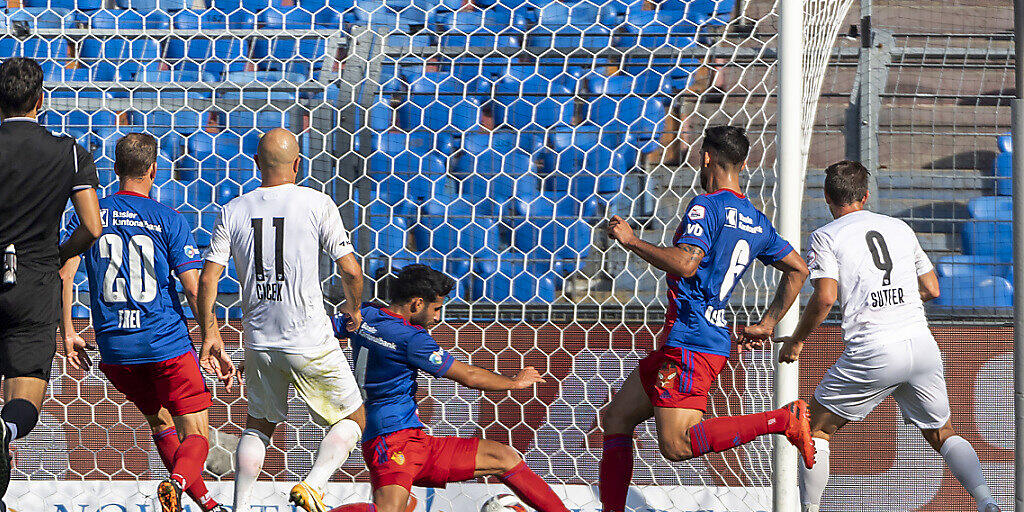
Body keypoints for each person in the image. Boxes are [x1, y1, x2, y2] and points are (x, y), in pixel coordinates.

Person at [598, 125, 814, 512]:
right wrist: (767, 323)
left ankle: (782, 420)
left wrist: (631, 240)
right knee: (617, 418)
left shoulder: (706, 205)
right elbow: (798, 269)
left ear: (706, 158)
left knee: (677, 444)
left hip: (692, 340)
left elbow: (686, 262)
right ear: (744, 164)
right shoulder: (756, 220)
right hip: (693, 338)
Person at [774, 160, 1001, 512]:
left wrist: (798, 341)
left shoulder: (825, 236)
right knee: (943, 433)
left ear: (826, 197)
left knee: (813, 429)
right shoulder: (899, 227)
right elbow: (932, 288)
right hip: (921, 344)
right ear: (865, 195)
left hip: (875, 350)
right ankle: (987, 501)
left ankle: (809, 510)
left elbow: (826, 297)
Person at [58, 133, 231, 512]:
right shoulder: (167, 218)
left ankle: (206, 504)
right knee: (197, 434)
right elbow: (192, 285)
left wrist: (69, 331)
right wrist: (210, 334)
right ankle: (179, 482)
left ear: (115, 169)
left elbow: (65, 274)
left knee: (161, 421)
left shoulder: (90, 214)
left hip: (116, 351)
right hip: (164, 343)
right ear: (154, 170)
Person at [197, 128, 366, 512]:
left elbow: (208, 277)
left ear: (256, 163)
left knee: (259, 424)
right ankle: (313, 485)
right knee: (354, 417)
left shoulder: (234, 209)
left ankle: (240, 507)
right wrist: (353, 311)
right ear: (298, 164)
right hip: (309, 338)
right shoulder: (317, 202)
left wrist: (210, 331)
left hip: (258, 340)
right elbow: (351, 271)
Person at [326, 265, 570, 512]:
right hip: (392, 444)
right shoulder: (411, 338)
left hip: (413, 441)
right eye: (436, 309)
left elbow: (324, 331)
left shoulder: (365, 315)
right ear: (417, 304)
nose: (437, 317)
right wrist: (514, 382)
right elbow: (469, 376)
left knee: (504, 457)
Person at [0, 57, 102, 502]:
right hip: (35, 280)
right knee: (25, 387)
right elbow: (93, 226)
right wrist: (60, 253)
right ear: (41, 100)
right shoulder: (71, 152)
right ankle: (5, 428)